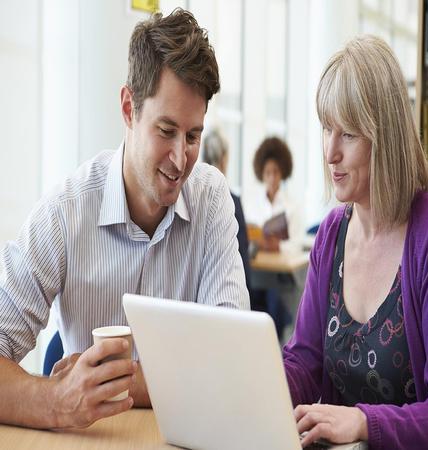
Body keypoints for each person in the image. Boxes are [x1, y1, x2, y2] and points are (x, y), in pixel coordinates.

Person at [0, 8, 249, 430]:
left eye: (193, 136)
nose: (180, 158)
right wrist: (55, 399)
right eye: (166, 130)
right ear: (129, 108)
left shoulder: (211, 200)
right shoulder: (66, 211)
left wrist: (119, 384)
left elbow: (233, 367)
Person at [283, 35, 428, 449]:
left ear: (385, 138)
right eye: (326, 128)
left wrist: (362, 422)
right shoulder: (332, 234)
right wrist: (251, 389)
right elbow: (304, 360)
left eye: (349, 135)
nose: (330, 152)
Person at [202, 128, 251, 291]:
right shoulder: (232, 202)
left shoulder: (191, 201)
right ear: (224, 159)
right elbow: (243, 261)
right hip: (229, 296)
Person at [246, 136, 304, 254]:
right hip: (258, 268)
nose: (272, 178)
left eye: (276, 172)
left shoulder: (292, 206)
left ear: (282, 172)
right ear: (262, 174)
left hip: (282, 270)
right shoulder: (252, 206)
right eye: (268, 173)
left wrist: (278, 246)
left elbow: (297, 245)